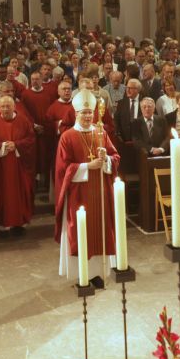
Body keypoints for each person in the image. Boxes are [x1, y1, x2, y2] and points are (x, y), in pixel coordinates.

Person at [54, 90, 120, 288]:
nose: (87, 116)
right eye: (84, 113)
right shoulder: (67, 137)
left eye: (90, 112)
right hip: (78, 195)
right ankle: (81, 275)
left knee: (99, 231)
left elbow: (115, 157)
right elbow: (63, 169)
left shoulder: (101, 133)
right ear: (76, 114)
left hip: (100, 193)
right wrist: (86, 167)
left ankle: (97, 273)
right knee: (80, 232)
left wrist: (106, 159)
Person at [0, 95, 36, 235]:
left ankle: (19, 222)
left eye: (8, 106)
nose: (5, 109)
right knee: (0, 193)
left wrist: (17, 145)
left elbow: (31, 139)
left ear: (14, 107)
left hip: (19, 166)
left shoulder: (23, 121)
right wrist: (1, 146)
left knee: (20, 192)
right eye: (2, 106)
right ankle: (1, 222)